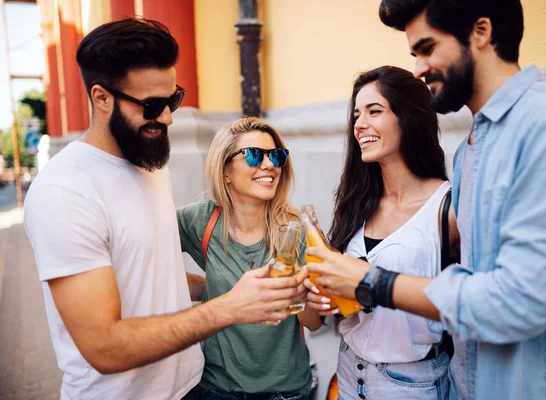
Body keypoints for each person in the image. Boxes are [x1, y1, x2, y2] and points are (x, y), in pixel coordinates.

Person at [306, 1, 546, 399]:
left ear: (481, 32)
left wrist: (370, 282)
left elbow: (522, 299)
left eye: (427, 49)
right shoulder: (470, 151)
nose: (418, 69)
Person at [23, 19, 299, 400]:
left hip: (190, 386)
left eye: (173, 100)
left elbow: (147, 269)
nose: (168, 117)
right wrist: (229, 307)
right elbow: (104, 346)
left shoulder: (148, 159)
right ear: (101, 98)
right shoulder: (64, 192)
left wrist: (224, 286)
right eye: (153, 105)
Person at [304, 66, 458, 399]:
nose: (359, 124)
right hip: (347, 373)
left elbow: (468, 302)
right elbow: (343, 302)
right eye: (357, 114)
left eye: (375, 111)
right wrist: (326, 295)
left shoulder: (448, 207)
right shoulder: (357, 201)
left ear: (409, 118)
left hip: (411, 384)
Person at [177, 117, 322, 400]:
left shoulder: (298, 229)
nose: (269, 165)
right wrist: (203, 287)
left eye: (276, 156)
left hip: (286, 392)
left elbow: (314, 323)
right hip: (216, 390)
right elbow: (145, 256)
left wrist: (300, 294)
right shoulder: (201, 221)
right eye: (255, 155)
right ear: (225, 171)